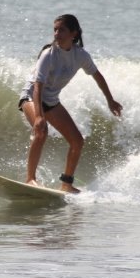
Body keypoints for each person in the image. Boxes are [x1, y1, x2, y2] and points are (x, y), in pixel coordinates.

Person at [18, 14, 123, 193]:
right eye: (55, 30)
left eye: (62, 30)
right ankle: (30, 179)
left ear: (73, 33)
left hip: (51, 101)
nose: (57, 33)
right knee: (41, 131)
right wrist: (38, 116)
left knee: (77, 141)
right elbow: (38, 86)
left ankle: (66, 184)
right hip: (31, 97)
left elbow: (98, 76)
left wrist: (110, 100)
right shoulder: (48, 54)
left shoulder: (80, 56)